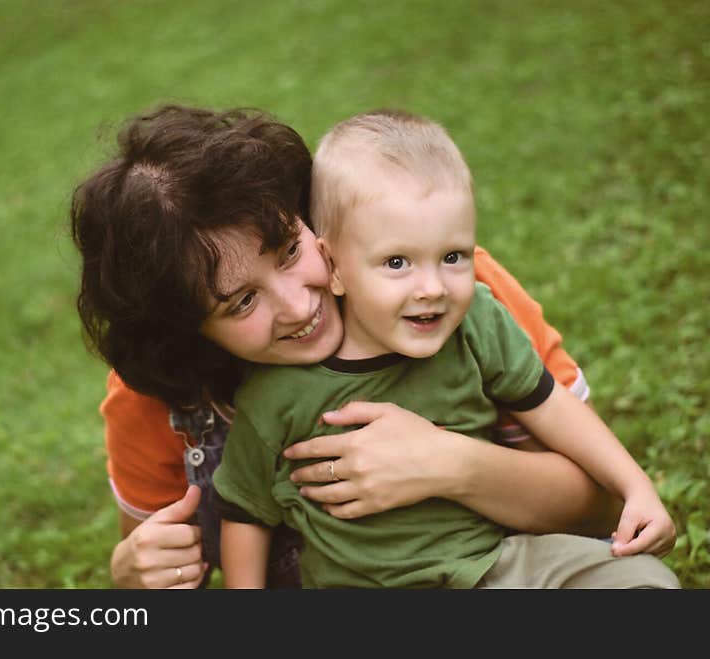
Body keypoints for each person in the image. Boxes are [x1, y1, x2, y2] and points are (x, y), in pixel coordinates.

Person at [71, 105, 653, 589]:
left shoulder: (448, 298)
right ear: (186, 332)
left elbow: (605, 507)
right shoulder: (155, 396)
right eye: (241, 303)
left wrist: (453, 464)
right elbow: (164, 564)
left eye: (289, 250)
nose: (300, 306)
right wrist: (131, 574)